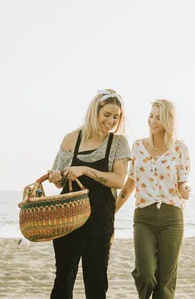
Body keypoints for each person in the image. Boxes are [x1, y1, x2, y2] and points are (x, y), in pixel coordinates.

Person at [48, 89, 131, 299]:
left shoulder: (118, 143)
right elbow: (59, 183)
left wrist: (86, 170)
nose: (111, 120)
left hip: (100, 220)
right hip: (67, 219)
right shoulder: (71, 139)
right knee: (64, 277)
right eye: (107, 115)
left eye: (116, 116)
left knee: (96, 279)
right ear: (95, 112)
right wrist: (57, 177)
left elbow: (118, 181)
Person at [115, 99, 191, 299]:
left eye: (158, 117)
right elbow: (130, 183)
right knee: (147, 274)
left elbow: (182, 182)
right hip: (144, 217)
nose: (152, 121)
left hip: (172, 217)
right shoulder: (138, 147)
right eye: (151, 116)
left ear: (168, 121)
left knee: (165, 281)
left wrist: (184, 190)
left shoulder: (180, 149)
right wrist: (111, 212)